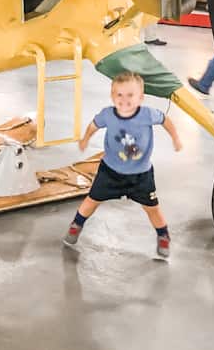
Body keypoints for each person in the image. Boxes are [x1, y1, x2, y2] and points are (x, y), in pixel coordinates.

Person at [63, 71, 183, 258]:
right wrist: (86, 138)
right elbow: (94, 125)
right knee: (92, 200)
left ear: (141, 97)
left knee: (152, 208)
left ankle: (163, 235)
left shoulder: (147, 114)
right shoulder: (108, 115)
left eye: (130, 95)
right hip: (110, 172)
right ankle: (76, 224)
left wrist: (175, 138)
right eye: (119, 95)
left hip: (140, 175)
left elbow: (165, 120)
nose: (124, 100)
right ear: (112, 96)